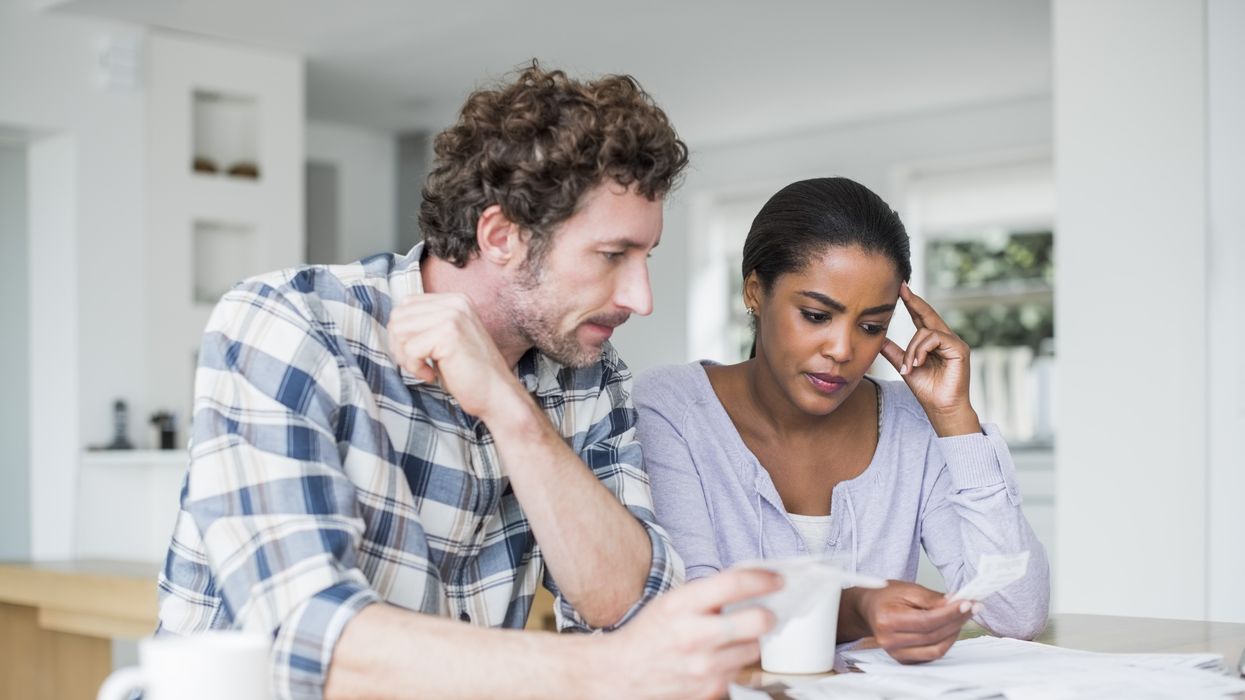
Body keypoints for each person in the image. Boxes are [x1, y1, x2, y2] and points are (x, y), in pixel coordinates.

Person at [156, 63, 779, 700]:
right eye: (612, 255)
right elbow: (309, 640)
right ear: (501, 235)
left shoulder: (587, 375)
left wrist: (509, 409)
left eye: (646, 258)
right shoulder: (291, 324)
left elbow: (628, 606)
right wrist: (607, 673)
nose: (640, 297)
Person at [634, 177, 1049, 664]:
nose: (844, 350)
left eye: (872, 326)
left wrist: (954, 417)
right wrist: (853, 609)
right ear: (754, 291)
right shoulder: (674, 408)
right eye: (815, 315)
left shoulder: (911, 424)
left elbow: (1017, 614)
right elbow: (690, 618)